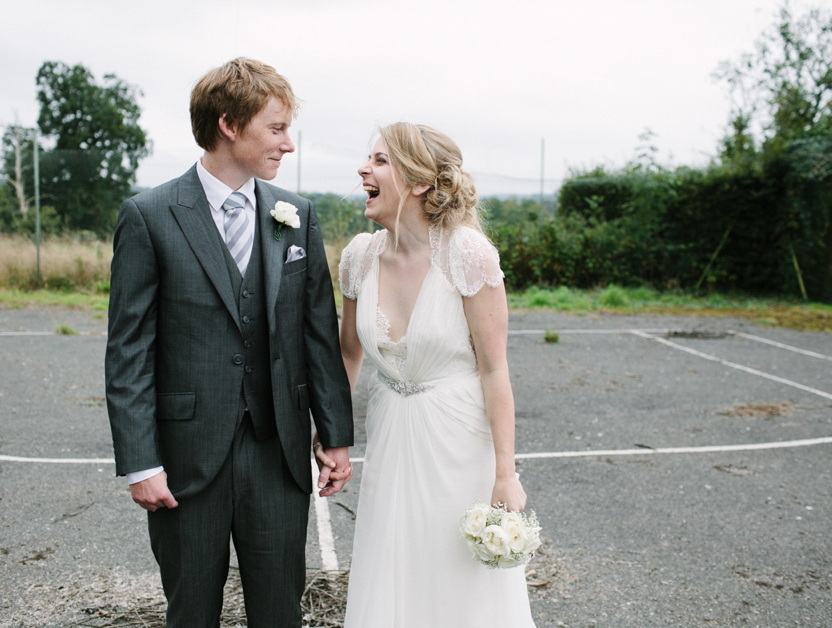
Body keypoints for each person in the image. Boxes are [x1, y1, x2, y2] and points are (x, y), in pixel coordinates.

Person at [104, 57, 353, 628]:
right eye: (277, 128)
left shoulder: (298, 217)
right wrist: (140, 462)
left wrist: (336, 435)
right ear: (229, 126)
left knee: (279, 611)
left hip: (278, 453)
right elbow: (129, 351)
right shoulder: (149, 216)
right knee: (190, 611)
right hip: (186, 459)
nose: (288, 144)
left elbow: (318, 333)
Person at [328, 122, 535, 626]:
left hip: (459, 443)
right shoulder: (359, 256)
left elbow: (494, 368)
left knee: (456, 576)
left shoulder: (467, 254)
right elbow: (348, 355)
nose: (364, 169)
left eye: (380, 161)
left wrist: (505, 475)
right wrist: (331, 433)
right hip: (392, 433)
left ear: (420, 183)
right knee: (393, 564)